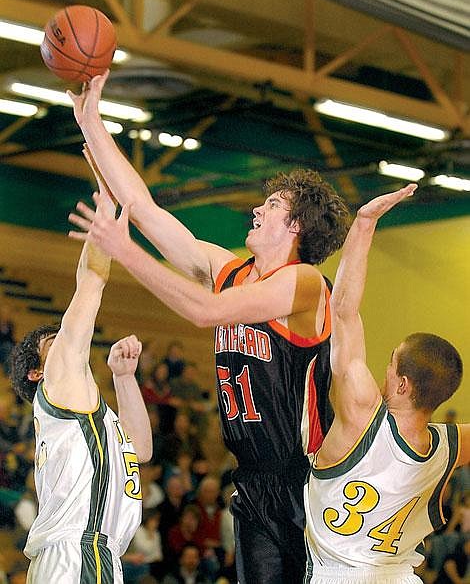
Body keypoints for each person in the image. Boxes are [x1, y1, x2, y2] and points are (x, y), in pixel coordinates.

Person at [67, 71, 350, 583]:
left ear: (296, 228)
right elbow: (147, 211)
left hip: (303, 483)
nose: (257, 208)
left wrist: (122, 249)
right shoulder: (230, 270)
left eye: (273, 206)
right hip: (252, 477)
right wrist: (91, 121)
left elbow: (205, 312)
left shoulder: (305, 284)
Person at [303, 184, 470, 583]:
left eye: (391, 364)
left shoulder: (363, 414)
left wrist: (363, 224)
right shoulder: (452, 446)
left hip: (340, 575)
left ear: (402, 385)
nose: (384, 371)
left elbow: (343, 313)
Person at [9, 148, 152, 583]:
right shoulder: (58, 384)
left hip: (89, 556)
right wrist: (106, 198)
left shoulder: (85, 416)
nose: (67, 338)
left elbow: (140, 451)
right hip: (79, 555)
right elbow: (90, 280)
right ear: (38, 372)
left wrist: (124, 379)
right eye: (51, 341)